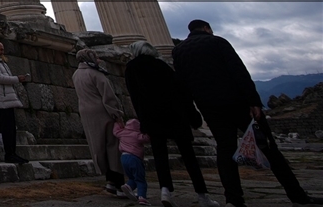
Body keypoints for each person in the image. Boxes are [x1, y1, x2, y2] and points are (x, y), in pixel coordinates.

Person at [173, 20, 323, 207]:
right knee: (268, 147)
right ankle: (297, 196)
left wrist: (192, 110)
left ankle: (233, 200)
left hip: (209, 108)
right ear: (206, 28)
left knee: (225, 151)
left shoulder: (178, 51)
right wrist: (254, 101)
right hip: (237, 103)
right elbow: (239, 72)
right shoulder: (218, 42)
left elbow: (182, 84)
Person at [125, 40, 219, 207]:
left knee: (160, 157)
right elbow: (182, 92)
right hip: (175, 117)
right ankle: (202, 195)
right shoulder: (162, 66)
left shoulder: (131, 68)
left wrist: (143, 121)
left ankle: (165, 191)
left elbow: (135, 98)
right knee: (189, 157)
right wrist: (193, 116)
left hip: (153, 119)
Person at [73, 49, 126, 197]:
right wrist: (117, 115)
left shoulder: (76, 74)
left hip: (86, 113)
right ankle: (119, 184)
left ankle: (109, 181)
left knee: (98, 147)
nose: (99, 60)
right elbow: (108, 97)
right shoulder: (96, 74)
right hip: (103, 113)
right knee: (113, 147)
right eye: (96, 57)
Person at [0, 41, 29, 164]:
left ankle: (12, 153)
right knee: (7, 128)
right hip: (1, 99)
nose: (3, 51)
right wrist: (17, 79)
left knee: (11, 129)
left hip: (6, 99)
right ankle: (9, 154)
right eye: (1, 49)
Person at [114, 118, 150, 205]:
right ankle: (142, 197)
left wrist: (118, 122)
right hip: (135, 158)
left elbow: (115, 131)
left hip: (123, 158)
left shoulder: (122, 133)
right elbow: (147, 138)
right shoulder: (137, 135)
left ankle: (128, 186)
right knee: (140, 179)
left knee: (132, 177)